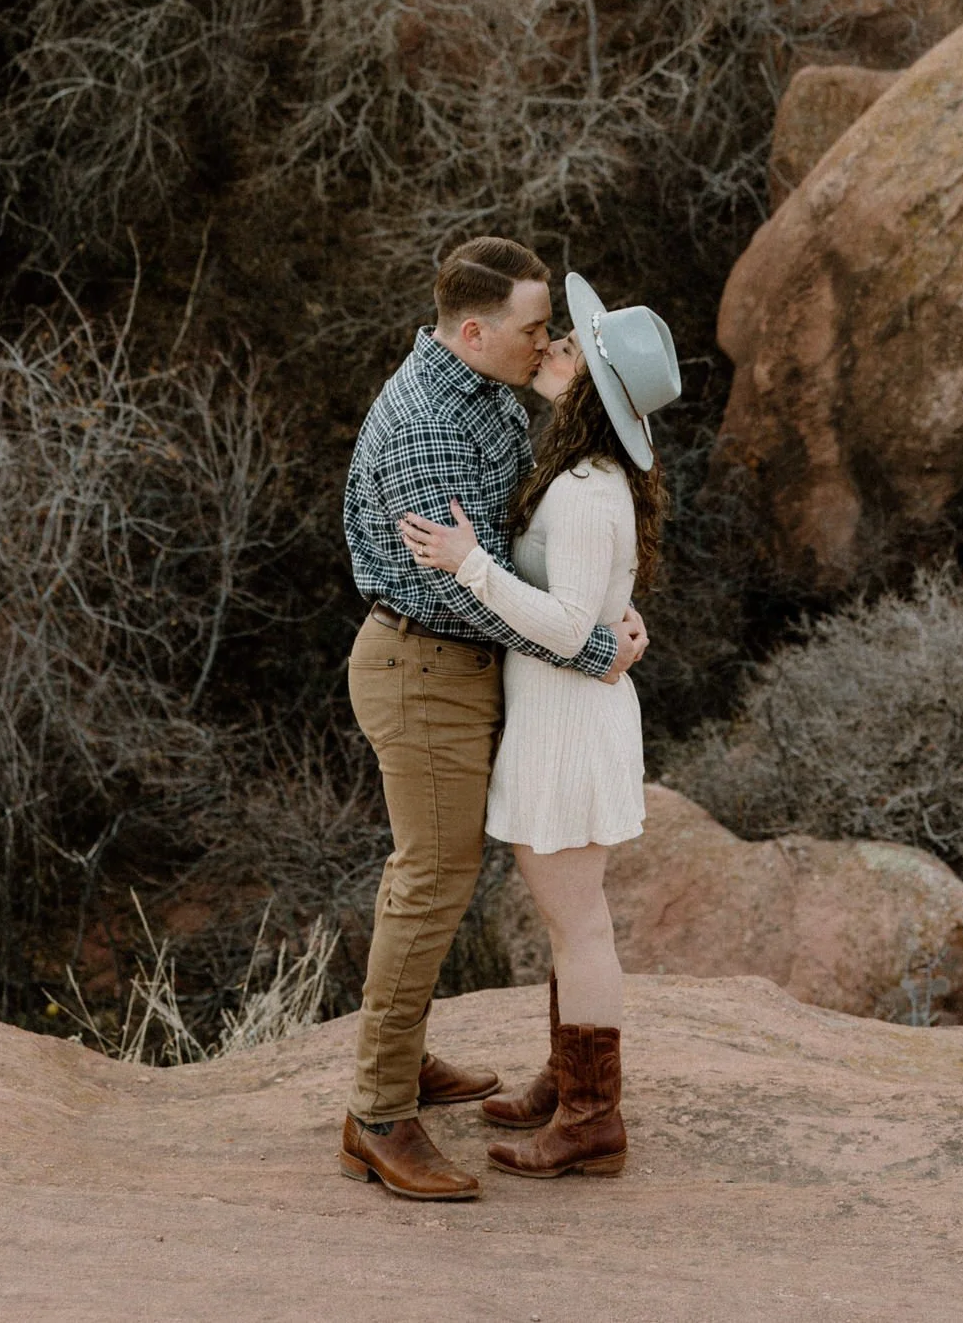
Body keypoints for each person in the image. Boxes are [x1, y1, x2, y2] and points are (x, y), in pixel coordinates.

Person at [338, 238, 650, 1204]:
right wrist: (599, 648)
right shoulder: (433, 421)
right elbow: (470, 590)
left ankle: (407, 1057)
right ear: (473, 332)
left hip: (471, 665)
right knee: (431, 879)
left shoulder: (483, 390)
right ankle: (380, 1113)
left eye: (554, 331)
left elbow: (537, 553)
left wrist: (605, 610)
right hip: (427, 662)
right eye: (531, 329)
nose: (545, 340)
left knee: (446, 875)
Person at [399, 270, 680, 1182]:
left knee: (579, 926)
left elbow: (566, 626)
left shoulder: (589, 490)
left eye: (569, 347)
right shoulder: (576, 474)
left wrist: (471, 564)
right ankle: (570, 1086)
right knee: (573, 922)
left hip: (569, 725)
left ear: (591, 385)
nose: (551, 345)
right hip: (559, 717)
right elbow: (594, 614)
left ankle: (592, 1118)